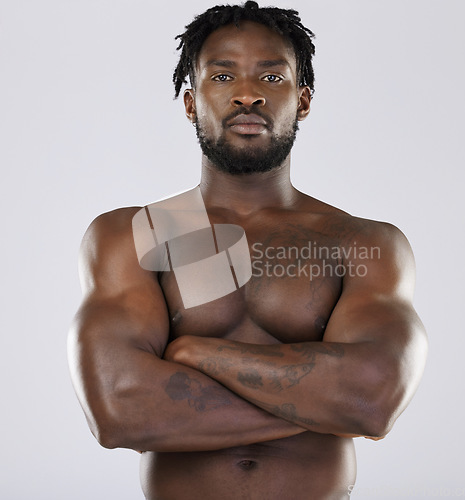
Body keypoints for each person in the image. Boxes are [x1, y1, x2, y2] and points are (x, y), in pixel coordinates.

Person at [68, 2, 428, 499]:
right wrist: (319, 400)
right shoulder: (135, 234)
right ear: (192, 102)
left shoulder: (363, 242)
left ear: (302, 101)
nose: (247, 95)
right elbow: (119, 407)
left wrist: (193, 352)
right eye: (222, 77)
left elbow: (370, 400)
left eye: (272, 78)